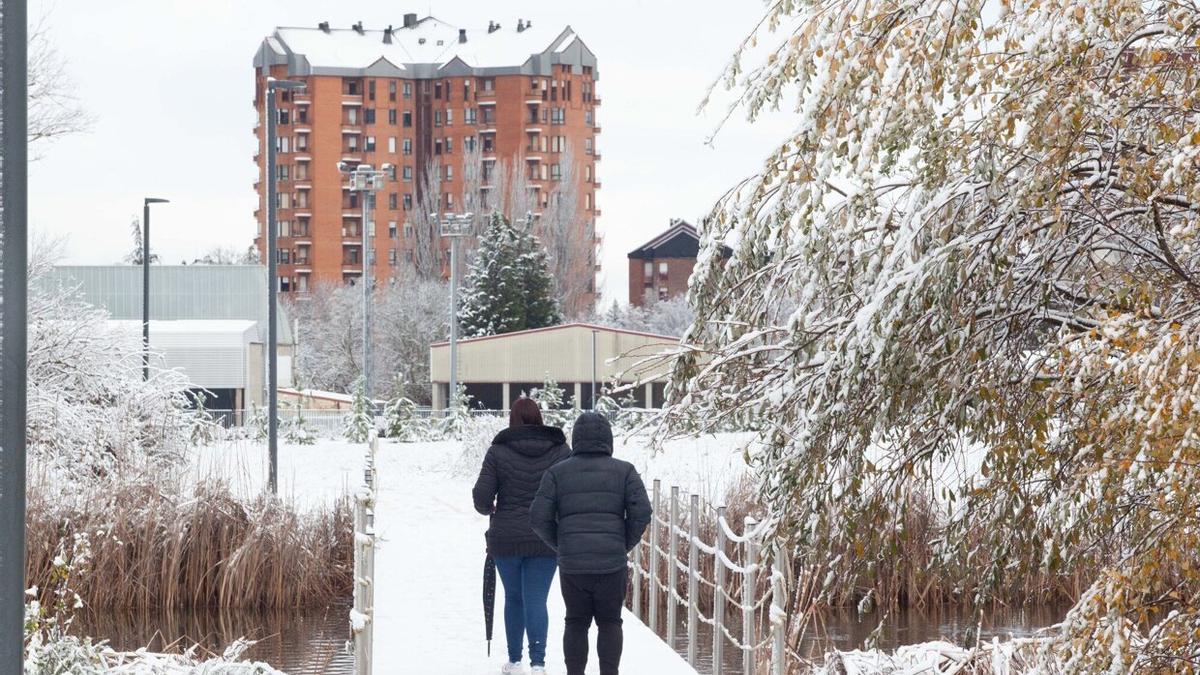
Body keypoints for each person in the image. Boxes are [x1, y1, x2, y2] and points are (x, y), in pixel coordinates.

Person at [530, 412, 652, 675]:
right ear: (608, 438)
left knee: (575, 622)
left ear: (576, 439)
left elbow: (538, 517)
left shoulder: (556, 473)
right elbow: (642, 512)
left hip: (573, 565)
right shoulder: (625, 471)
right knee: (610, 622)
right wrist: (622, 544)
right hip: (611, 563)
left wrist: (562, 545)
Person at [474, 397, 571, 675]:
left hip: (506, 538)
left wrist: (490, 507)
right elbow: (569, 491)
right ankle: (538, 664)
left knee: (514, 597)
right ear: (540, 418)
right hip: (545, 538)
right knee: (537, 600)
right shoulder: (562, 450)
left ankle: (515, 661)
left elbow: (481, 498)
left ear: (512, 419)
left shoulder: (497, 451)